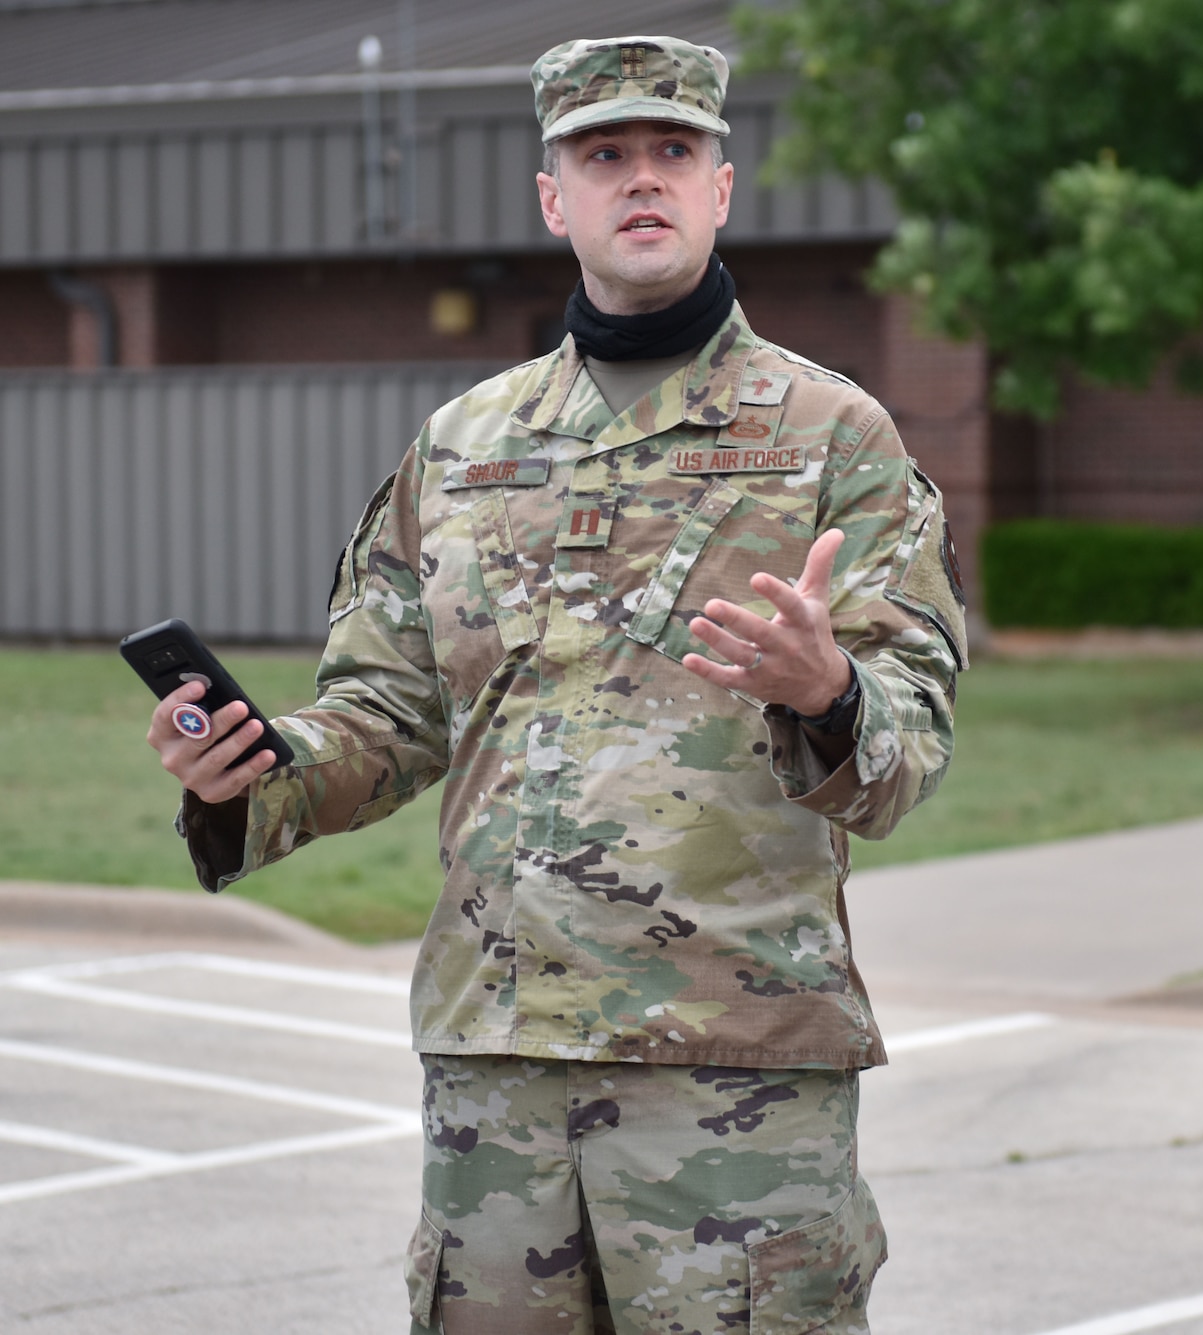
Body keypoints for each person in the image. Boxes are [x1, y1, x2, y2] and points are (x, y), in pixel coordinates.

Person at [143, 34, 966, 1335]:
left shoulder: (831, 435)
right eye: (603, 154)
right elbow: (387, 714)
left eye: (670, 151)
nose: (640, 177)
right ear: (553, 197)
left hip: (730, 1066)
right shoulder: (464, 447)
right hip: (497, 1058)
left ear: (721, 188)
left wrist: (829, 689)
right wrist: (252, 765)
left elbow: (907, 739)